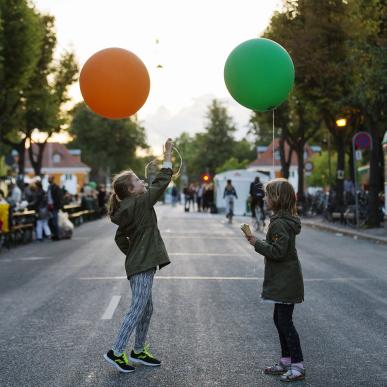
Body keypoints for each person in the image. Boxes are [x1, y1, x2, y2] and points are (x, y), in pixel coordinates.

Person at [103, 138, 174, 374]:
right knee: (137, 308)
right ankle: (116, 351)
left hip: (139, 263)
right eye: (136, 180)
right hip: (141, 265)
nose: (141, 180)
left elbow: (119, 238)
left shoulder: (128, 206)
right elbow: (162, 181)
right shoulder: (141, 202)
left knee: (147, 308)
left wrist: (133, 253)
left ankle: (138, 350)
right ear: (131, 191)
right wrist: (167, 156)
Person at [244, 178, 305, 382]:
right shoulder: (281, 220)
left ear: (277, 198)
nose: (265, 198)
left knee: (285, 322)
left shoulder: (279, 224)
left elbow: (278, 252)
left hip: (285, 280)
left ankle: (297, 365)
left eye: (268, 195)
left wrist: (256, 242)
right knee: (279, 320)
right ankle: (286, 360)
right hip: (284, 279)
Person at [47, 176, 63, 240]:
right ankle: (54, 234)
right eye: (48, 179)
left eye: (49, 179)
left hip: (54, 206)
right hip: (49, 206)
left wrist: (57, 205)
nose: (48, 180)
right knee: (50, 222)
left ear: (53, 179)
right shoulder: (49, 187)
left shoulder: (56, 187)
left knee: (55, 221)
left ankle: (57, 235)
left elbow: (59, 197)